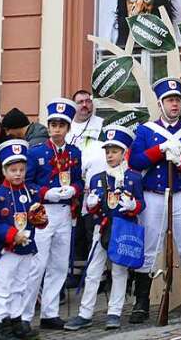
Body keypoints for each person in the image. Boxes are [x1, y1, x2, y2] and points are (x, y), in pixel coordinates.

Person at [128, 78, 181, 322]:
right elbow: (135, 162)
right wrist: (160, 150)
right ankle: (141, 302)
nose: (174, 104)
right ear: (160, 103)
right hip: (153, 195)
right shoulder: (146, 131)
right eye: (170, 100)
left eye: (177, 100)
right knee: (149, 249)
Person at [64, 125, 143, 331]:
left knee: (119, 271)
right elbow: (93, 208)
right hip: (102, 228)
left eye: (114, 151)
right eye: (107, 151)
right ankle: (85, 313)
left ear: (124, 152)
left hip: (123, 228)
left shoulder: (133, 177)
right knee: (93, 270)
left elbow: (141, 203)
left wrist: (133, 206)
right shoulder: (97, 178)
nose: (109, 155)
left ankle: (114, 313)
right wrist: (91, 204)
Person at [24, 99, 83, 331]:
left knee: (59, 264)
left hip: (65, 212)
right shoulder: (36, 152)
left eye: (61, 125)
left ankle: (50, 313)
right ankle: (25, 316)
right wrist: (47, 192)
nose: (57, 129)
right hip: (43, 213)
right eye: (53, 124)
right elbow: (27, 183)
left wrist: (74, 190)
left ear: (68, 128)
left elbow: (79, 180)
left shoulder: (74, 152)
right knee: (37, 265)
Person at [0, 139, 47, 340]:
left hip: (26, 247)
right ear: (4, 171)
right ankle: (2, 325)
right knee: (4, 287)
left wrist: (41, 220)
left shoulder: (32, 193)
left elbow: (37, 218)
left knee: (21, 285)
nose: (18, 174)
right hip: (7, 250)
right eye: (13, 170)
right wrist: (12, 235)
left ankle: (16, 320)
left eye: (21, 169)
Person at [66, 90, 105, 285]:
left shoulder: (101, 125)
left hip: (93, 186)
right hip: (72, 184)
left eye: (88, 101)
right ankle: (74, 272)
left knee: (92, 229)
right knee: (75, 230)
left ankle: (96, 275)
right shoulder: (67, 127)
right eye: (80, 102)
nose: (85, 105)